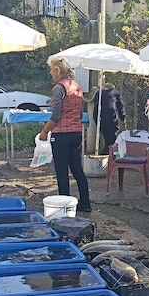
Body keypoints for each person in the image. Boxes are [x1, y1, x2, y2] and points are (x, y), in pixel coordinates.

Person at [38, 56, 92, 213]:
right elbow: (80, 115)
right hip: (76, 133)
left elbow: (55, 116)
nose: (50, 73)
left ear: (57, 70)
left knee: (62, 171)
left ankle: (64, 206)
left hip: (61, 134)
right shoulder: (76, 86)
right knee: (77, 169)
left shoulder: (58, 88)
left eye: (51, 70)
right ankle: (85, 203)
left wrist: (44, 131)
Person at [92, 83, 126, 155]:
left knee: (106, 135)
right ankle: (111, 152)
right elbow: (120, 108)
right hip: (111, 116)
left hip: (99, 116)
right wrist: (123, 120)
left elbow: (96, 103)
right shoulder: (115, 93)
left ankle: (107, 149)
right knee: (113, 135)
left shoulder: (99, 92)